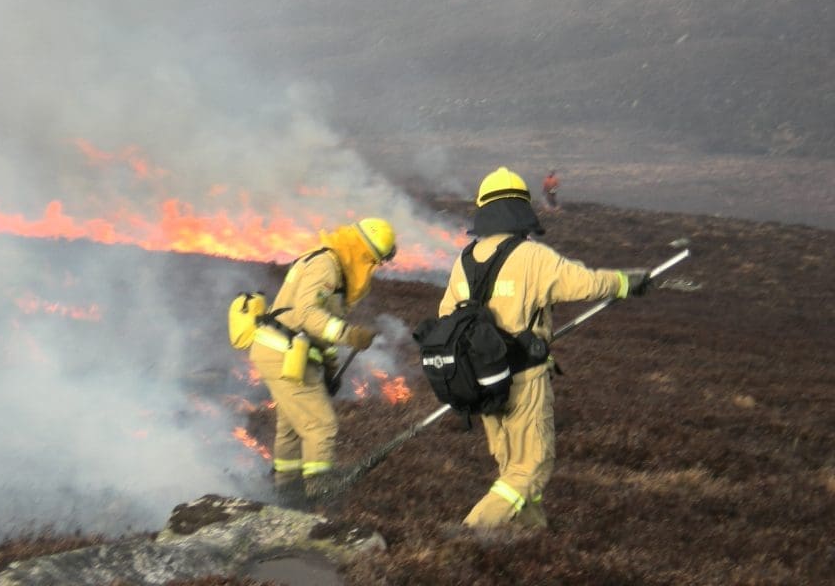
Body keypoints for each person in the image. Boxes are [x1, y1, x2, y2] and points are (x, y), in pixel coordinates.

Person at [437, 167, 649, 530]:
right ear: (522, 207)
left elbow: (446, 316)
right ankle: (471, 531)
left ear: (484, 208)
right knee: (531, 466)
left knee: (511, 465)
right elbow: (582, 283)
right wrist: (624, 282)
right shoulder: (532, 256)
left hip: (481, 381)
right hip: (523, 378)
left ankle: (530, 533)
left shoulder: (465, 259)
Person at [250, 217, 397, 503]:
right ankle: (319, 495)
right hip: (283, 353)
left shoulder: (336, 271)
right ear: (363, 253)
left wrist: (331, 370)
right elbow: (307, 314)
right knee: (321, 425)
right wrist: (349, 334)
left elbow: (319, 333)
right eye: (374, 261)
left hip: (290, 353)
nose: (373, 269)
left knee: (291, 428)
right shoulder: (326, 265)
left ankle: (286, 494)